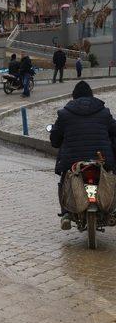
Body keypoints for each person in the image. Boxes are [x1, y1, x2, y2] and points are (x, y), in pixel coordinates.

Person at [50, 81, 116, 229]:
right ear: (91, 95)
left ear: (74, 96)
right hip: (101, 159)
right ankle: (113, 209)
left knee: (64, 180)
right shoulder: (104, 112)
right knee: (112, 177)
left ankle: (66, 213)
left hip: (72, 161)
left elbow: (55, 140)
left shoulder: (64, 114)